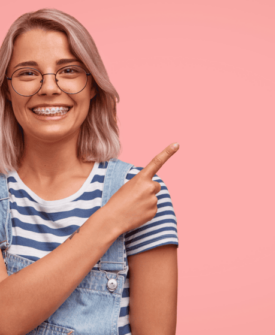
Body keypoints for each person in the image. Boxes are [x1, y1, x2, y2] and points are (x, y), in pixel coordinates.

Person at [0, 8, 179, 335]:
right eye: (28, 73)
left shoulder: (140, 192)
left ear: (92, 85)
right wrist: (109, 221)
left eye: (68, 70)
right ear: (6, 91)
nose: (49, 88)